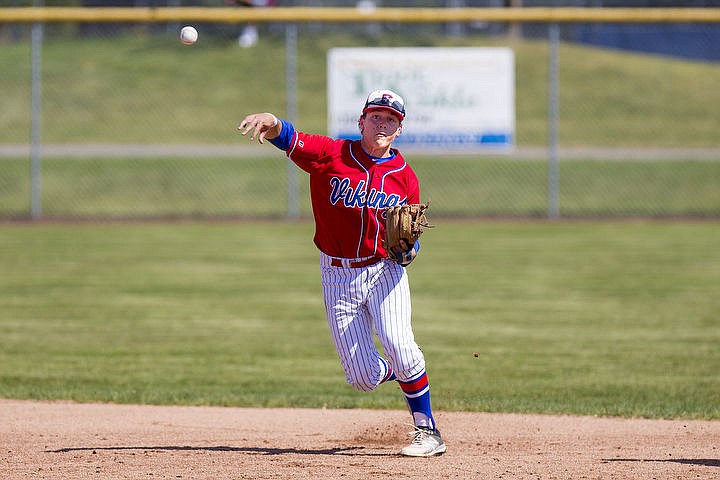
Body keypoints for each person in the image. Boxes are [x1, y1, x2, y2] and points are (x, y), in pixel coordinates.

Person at [237, 89, 446, 457]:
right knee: (363, 378)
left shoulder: (405, 176)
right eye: (376, 116)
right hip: (337, 275)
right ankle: (402, 370)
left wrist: (411, 250)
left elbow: (411, 235)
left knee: (400, 343)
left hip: (384, 270)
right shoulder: (330, 154)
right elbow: (291, 138)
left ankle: (428, 431)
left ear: (400, 128)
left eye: (390, 119)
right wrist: (270, 123)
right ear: (361, 121)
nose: (382, 123)